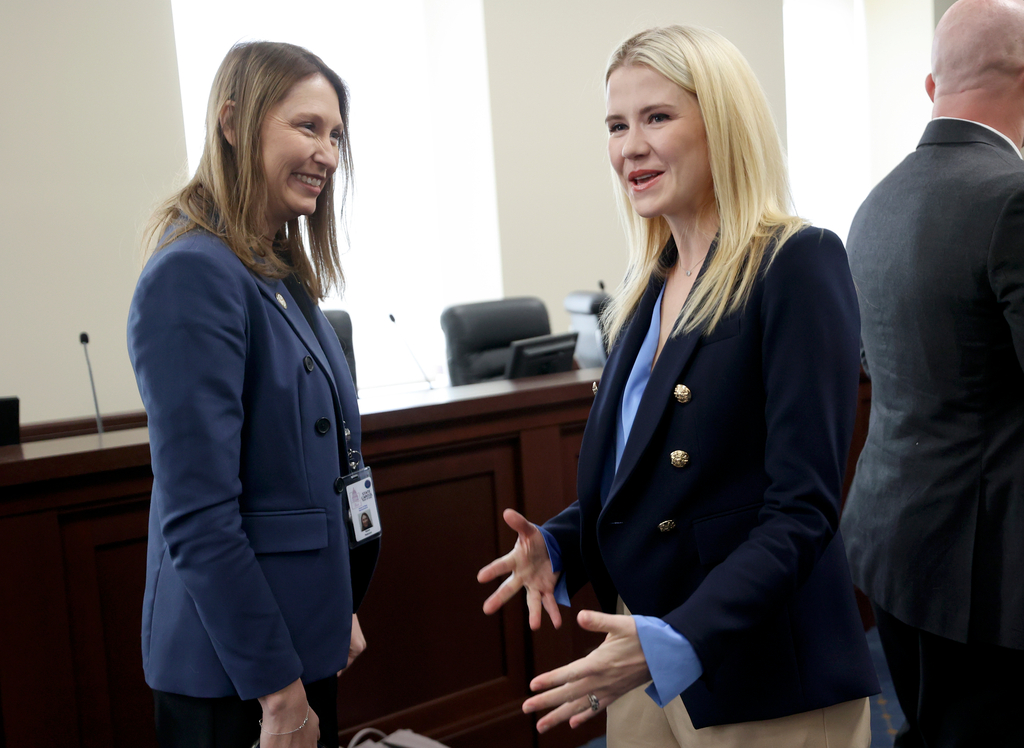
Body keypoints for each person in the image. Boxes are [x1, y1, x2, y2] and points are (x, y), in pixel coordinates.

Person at [477, 25, 878, 747]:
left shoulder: (796, 262)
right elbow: (658, 477)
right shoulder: (645, 286)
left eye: (657, 117)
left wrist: (676, 638)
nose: (629, 146)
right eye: (616, 124)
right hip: (644, 660)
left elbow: (802, 511)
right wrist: (564, 542)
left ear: (722, 123)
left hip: (757, 675)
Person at [127, 41, 378, 748]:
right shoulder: (193, 275)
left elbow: (315, 474)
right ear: (233, 123)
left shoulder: (277, 273)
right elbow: (201, 516)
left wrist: (332, 607)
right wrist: (279, 691)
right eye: (307, 128)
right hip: (236, 676)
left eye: (335, 135)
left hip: (297, 643)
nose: (327, 153)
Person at [840, 1, 1024, 745]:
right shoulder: (1012, 199)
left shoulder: (875, 203)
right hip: (990, 572)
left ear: (930, 87)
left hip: (895, 547)